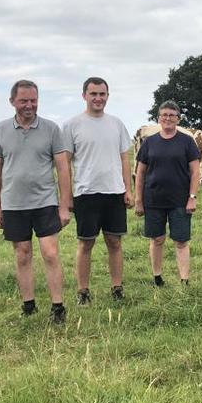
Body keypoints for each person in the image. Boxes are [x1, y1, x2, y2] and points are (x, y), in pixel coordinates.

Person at [0, 79, 71, 323]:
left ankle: (58, 307)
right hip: (13, 203)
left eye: (33, 100)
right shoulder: (1, 130)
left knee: (50, 253)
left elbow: (63, 168)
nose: (29, 105)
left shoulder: (51, 129)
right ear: (12, 101)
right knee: (22, 254)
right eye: (24, 100)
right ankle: (28, 304)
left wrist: (64, 205)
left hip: (45, 201)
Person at [62, 77, 133, 304]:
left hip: (114, 192)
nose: (98, 98)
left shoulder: (117, 124)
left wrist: (128, 190)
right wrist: (66, 197)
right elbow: (65, 164)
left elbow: (124, 159)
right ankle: (83, 291)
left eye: (102, 94)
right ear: (84, 96)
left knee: (115, 242)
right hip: (86, 193)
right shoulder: (72, 125)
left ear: (108, 97)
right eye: (93, 94)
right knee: (86, 243)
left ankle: (117, 288)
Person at [134, 100, 200, 286]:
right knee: (157, 239)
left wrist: (192, 198)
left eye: (172, 115)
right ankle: (157, 277)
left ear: (178, 119)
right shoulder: (149, 143)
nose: (168, 118)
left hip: (180, 200)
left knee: (181, 241)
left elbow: (195, 172)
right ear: (158, 118)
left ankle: (184, 280)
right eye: (164, 115)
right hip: (153, 199)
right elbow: (140, 173)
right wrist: (139, 200)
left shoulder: (187, 142)